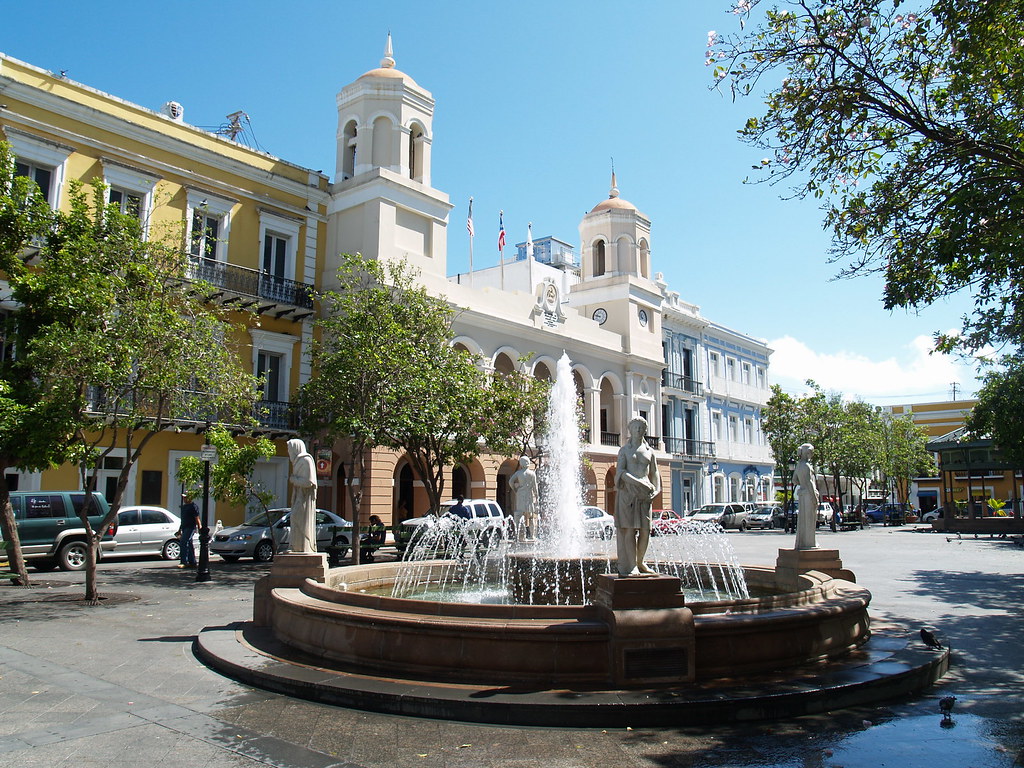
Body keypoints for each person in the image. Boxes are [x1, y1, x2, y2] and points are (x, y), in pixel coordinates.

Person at [614, 417, 661, 576]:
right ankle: (631, 565)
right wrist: (639, 483)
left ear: (645, 430)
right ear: (630, 430)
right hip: (628, 494)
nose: (638, 430)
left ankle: (641, 562)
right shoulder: (625, 450)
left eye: (641, 427)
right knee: (629, 530)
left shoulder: (649, 451)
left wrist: (657, 490)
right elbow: (620, 473)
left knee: (645, 530)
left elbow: (655, 473)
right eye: (635, 427)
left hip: (645, 496)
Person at [287, 438, 318, 554]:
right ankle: (295, 546)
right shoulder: (297, 461)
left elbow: (309, 482)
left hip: (305, 498)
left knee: (300, 519)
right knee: (294, 519)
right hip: (298, 496)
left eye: (290, 450)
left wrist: (294, 480)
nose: (289, 453)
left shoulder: (306, 460)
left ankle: (304, 546)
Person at [791, 443, 820, 550]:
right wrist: (815, 497)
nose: (812, 455)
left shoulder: (799, 465)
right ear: (807, 453)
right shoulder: (807, 466)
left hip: (802, 494)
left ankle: (803, 542)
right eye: (811, 453)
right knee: (809, 519)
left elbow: (794, 480)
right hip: (808, 494)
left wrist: (801, 484)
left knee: (803, 519)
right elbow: (810, 483)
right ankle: (810, 542)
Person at [509, 455, 539, 541]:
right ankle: (532, 535)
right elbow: (534, 486)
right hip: (529, 495)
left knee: (519, 515)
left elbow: (510, 481)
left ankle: (520, 536)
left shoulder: (518, 473)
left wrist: (515, 489)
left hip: (520, 494)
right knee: (530, 516)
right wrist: (536, 497)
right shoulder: (532, 474)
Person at [178, 492, 201, 568]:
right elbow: (183, 519)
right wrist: (180, 529)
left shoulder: (193, 506)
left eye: (186, 497)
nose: (184, 499)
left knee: (184, 542)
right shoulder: (184, 507)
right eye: (183, 497)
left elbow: (197, 518)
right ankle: (192, 562)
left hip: (190, 527)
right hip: (184, 527)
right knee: (189, 544)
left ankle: (184, 561)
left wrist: (199, 527)